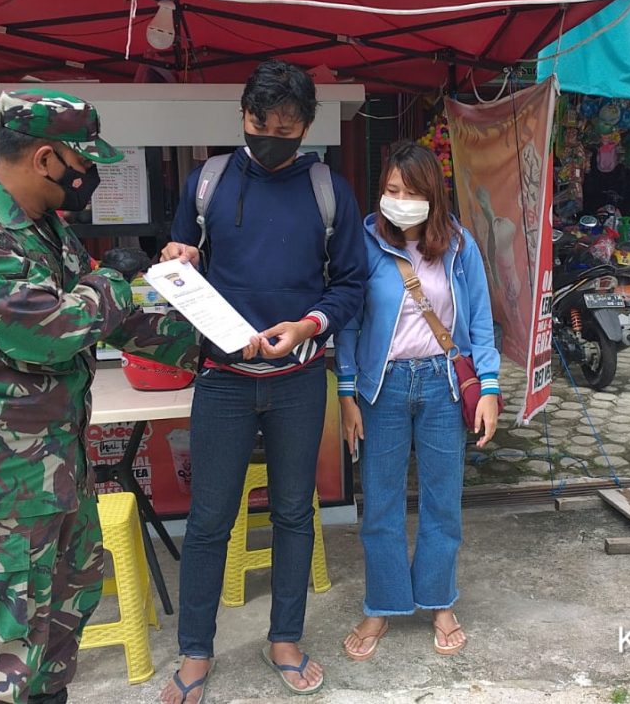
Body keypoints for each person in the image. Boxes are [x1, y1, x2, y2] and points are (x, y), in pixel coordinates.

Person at [0, 89, 201, 704]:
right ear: (46, 158)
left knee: (55, 642)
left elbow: (110, 319)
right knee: (0, 663)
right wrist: (115, 278)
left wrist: (211, 346)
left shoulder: (46, 230)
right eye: (83, 161)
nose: (89, 176)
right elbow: (52, 332)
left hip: (56, 475)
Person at [160, 60, 366, 701]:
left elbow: (351, 285)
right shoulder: (208, 181)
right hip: (221, 379)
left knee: (292, 514)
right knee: (209, 520)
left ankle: (285, 637)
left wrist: (308, 326)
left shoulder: (330, 190)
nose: (271, 137)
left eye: (286, 127)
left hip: (300, 379)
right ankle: (196, 651)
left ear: (306, 125)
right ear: (243, 116)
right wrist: (179, 258)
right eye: (260, 123)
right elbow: (176, 271)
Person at [336, 141, 500, 662]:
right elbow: (349, 321)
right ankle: (381, 605)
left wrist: (490, 388)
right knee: (379, 503)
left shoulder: (458, 245)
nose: (398, 200)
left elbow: (479, 320)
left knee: (442, 500)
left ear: (433, 194)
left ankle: (439, 600)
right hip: (380, 389)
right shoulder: (362, 244)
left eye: (409, 192)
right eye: (390, 190)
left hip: (441, 385)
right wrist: (346, 392)